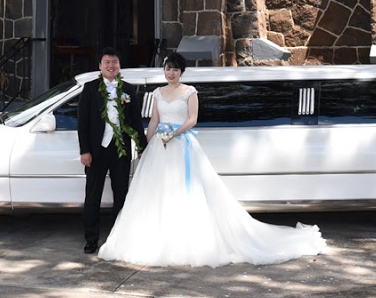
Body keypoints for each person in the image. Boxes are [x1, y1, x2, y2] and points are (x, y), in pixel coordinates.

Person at [98, 52, 327, 266]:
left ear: (181, 72)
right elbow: (154, 121)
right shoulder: (157, 93)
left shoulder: (190, 92)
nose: (171, 73)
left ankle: (187, 239)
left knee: (188, 192)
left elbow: (192, 119)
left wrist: (174, 134)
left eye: (175, 69)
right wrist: (145, 144)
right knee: (156, 193)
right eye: (168, 69)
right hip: (160, 147)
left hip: (182, 145)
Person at [77, 48, 144, 253]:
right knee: (93, 195)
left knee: (121, 195)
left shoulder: (129, 90)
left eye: (114, 62)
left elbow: (136, 122)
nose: (111, 65)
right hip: (96, 152)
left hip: (120, 150)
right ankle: (91, 239)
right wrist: (85, 151)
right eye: (106, 62)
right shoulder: (89, 88)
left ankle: (118, 239)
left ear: (119, 65)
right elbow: (83, 123)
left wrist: (141, 147)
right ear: (100, 65)